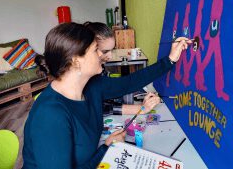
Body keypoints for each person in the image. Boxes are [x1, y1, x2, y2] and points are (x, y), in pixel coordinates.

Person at [22, 22, 191, 169]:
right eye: (96, 50)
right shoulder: (50, 115)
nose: (102, 56)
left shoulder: (93, 85)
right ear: (76, 61)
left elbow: (131, 82)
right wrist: (104, 151)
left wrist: (170, 59)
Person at [84, 21, 160, 115]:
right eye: (105, 51)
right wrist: (141, 109)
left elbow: (125, 84)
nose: (110, 56)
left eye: (112, 50)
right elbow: (99, 107)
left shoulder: (99, 72)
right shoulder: (83, 83)